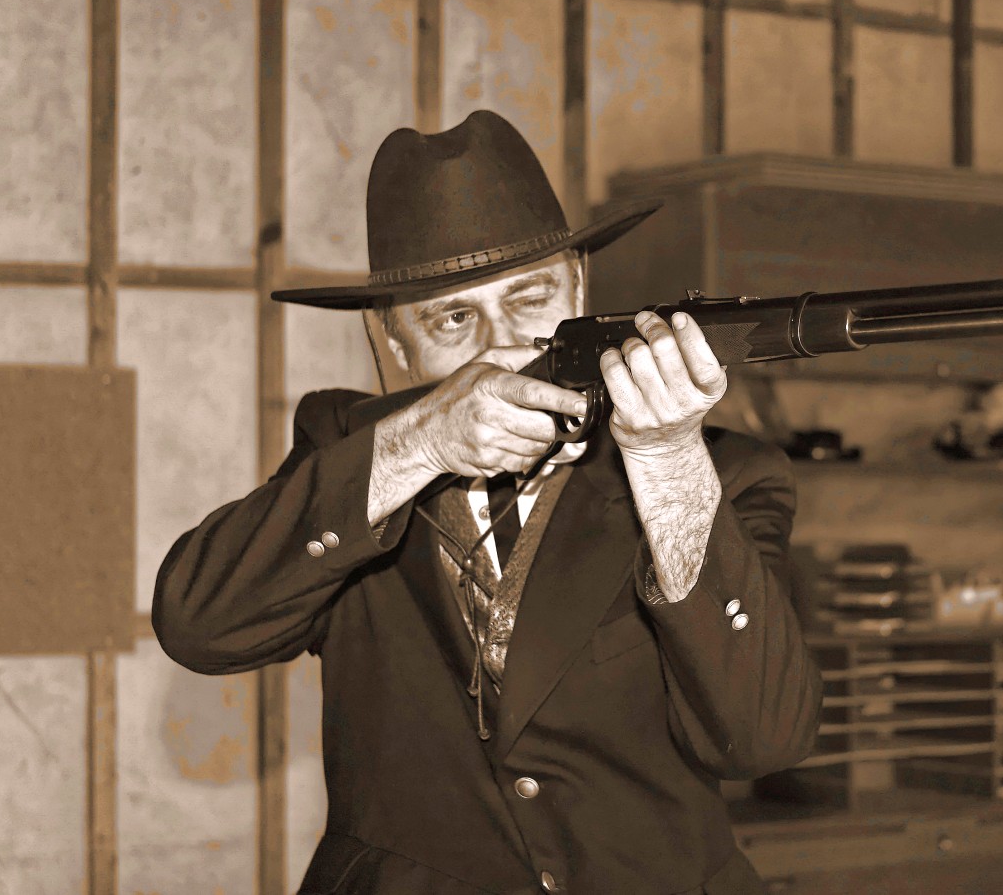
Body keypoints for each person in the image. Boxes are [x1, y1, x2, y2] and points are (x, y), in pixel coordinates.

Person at [153, 110, 822, 895]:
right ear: (390, 341)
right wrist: (414, 448)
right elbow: (200, 627)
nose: (500, 348)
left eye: (530, 299)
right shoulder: (350, 456)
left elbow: (763, 739)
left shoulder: (725, 472)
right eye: (453, 317)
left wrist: (667, 460)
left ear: (578, 285)